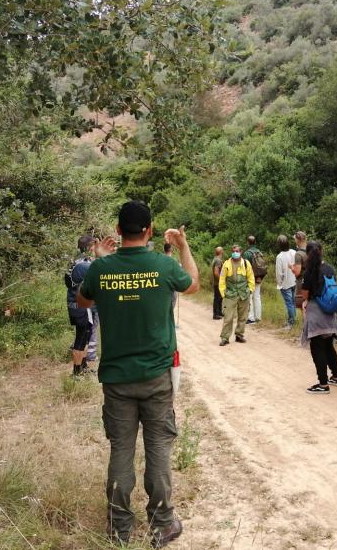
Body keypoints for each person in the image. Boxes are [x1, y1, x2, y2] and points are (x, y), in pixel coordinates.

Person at [76, 200, 199, 547]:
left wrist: (100, 260)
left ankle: (119, 529)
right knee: (158, 447)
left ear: (118, 230)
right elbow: (192, 284)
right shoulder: (162, 264)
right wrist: (183, 245)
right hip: (156, 377)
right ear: (150, 230)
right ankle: (161, 524)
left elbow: (84, 302)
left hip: (116, 378)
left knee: (121, 450)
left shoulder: (101, 269)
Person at [300, 241, 337, 394]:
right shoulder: (329, 269)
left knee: (317, 348)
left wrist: (305, 302)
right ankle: (336, 377)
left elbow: (305, 294)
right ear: (322, 251)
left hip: (316, 312)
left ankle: (323, 384)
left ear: (307, 254)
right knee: (329, 346)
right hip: (330, 311)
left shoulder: (310, 271)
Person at [66, 235, 97, 376]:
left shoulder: (78, 261)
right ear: (88, 247)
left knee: (86, 336)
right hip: (81, 306)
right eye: (93, 246)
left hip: (81, 304)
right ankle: (76, 372)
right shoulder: (84, 265)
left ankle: (83, 366)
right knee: (80, 338)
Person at [218, 244, 255, 346]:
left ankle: (239, 335)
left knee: (243, 316)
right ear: (231, 252)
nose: (235, 253)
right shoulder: (226, 264)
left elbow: (251, 278)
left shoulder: (246, 263)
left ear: (241, 252)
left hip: (244, 294)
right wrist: (223, 293)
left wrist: (250, 290)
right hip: (230, 294)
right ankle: (225, 338)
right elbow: (222, 280)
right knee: (228, 317)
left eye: (237, 251)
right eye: (234, 251)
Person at [275, 235, 297, 328]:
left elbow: (279, 273)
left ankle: (291, 322)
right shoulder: (293, 252)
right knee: (293, 302)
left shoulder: (279, 257)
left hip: (285, 283)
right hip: (294, 281)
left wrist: (279, 284)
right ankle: (293, 320)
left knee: (289, 303)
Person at [243, 236, 265, 324]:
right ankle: (258, 317)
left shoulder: (247, 253)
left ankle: (250, 318)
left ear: (248, 242)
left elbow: (245, 267)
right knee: (257, 296)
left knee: (249, 297)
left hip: (250, 278)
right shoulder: (259, 252)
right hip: (259, 277)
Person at [291, 231, 308, 310]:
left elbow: (297, 273)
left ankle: (306, 322)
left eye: (295, 239)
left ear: (298, 240)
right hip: (312, 281)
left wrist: (291, 267)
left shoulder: (298, 254)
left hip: (302, 282)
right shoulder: (311, 249)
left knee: (303, 307)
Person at [211, 247, 224, 320]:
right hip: (218, 282)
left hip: (216, 282)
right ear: (221, 252)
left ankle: (219, 312)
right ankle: (215, 314)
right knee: (217, 298)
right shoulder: (218, 260)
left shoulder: (215, 259)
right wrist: (221, 280)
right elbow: (216, 272)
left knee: (219, 297)